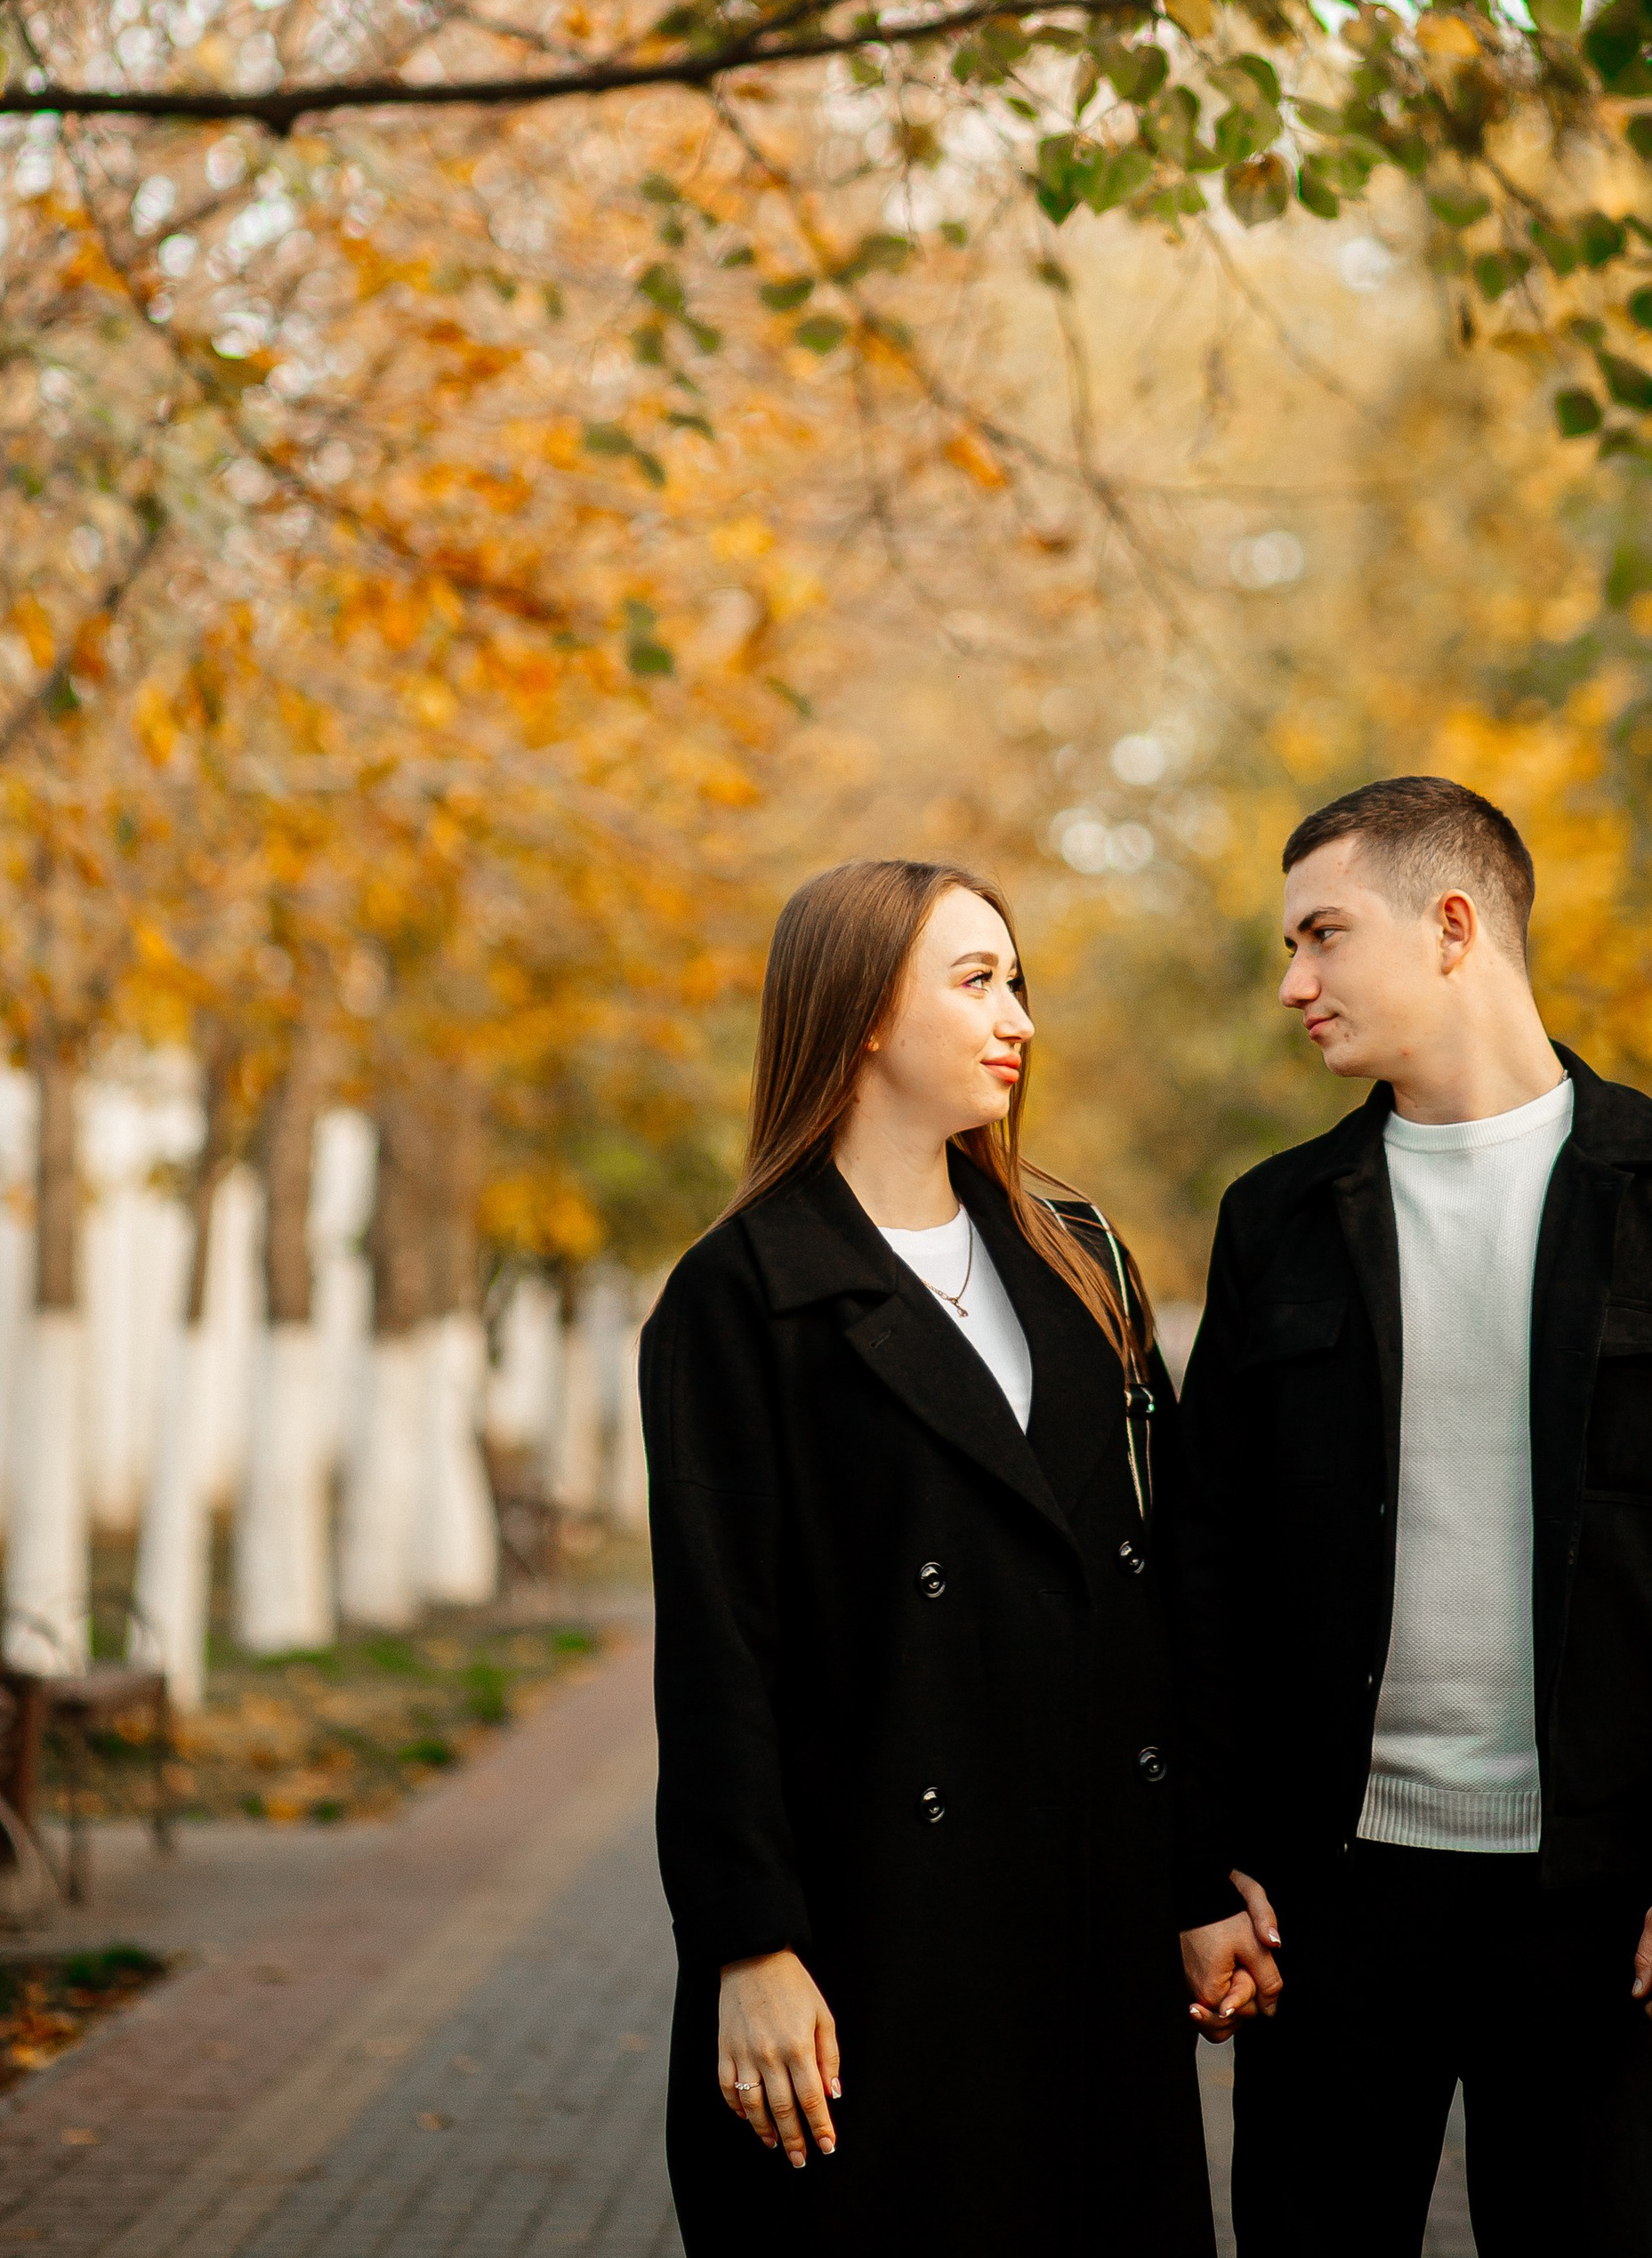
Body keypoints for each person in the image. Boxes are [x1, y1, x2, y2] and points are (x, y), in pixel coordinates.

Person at [1175, 775, 1652, 2258]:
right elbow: (1207, 1561)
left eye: (1323, 937)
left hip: (1603, 1907)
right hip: (1325, 1907)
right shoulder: (1276, 1217)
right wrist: (1194, 1860)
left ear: (1454, 926)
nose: (1294, 984)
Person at [640, 857, 1221, 2258]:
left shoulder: (1076, 1252)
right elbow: (717, 1656)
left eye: (1017, 978)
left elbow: (1167, 1589)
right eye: (975, 980)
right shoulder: (741, 1295)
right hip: (872, 1938)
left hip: (1091, 1923)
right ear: (862, 1022)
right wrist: (750, 1948)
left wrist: (1202, 1877)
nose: (1016, 1012)